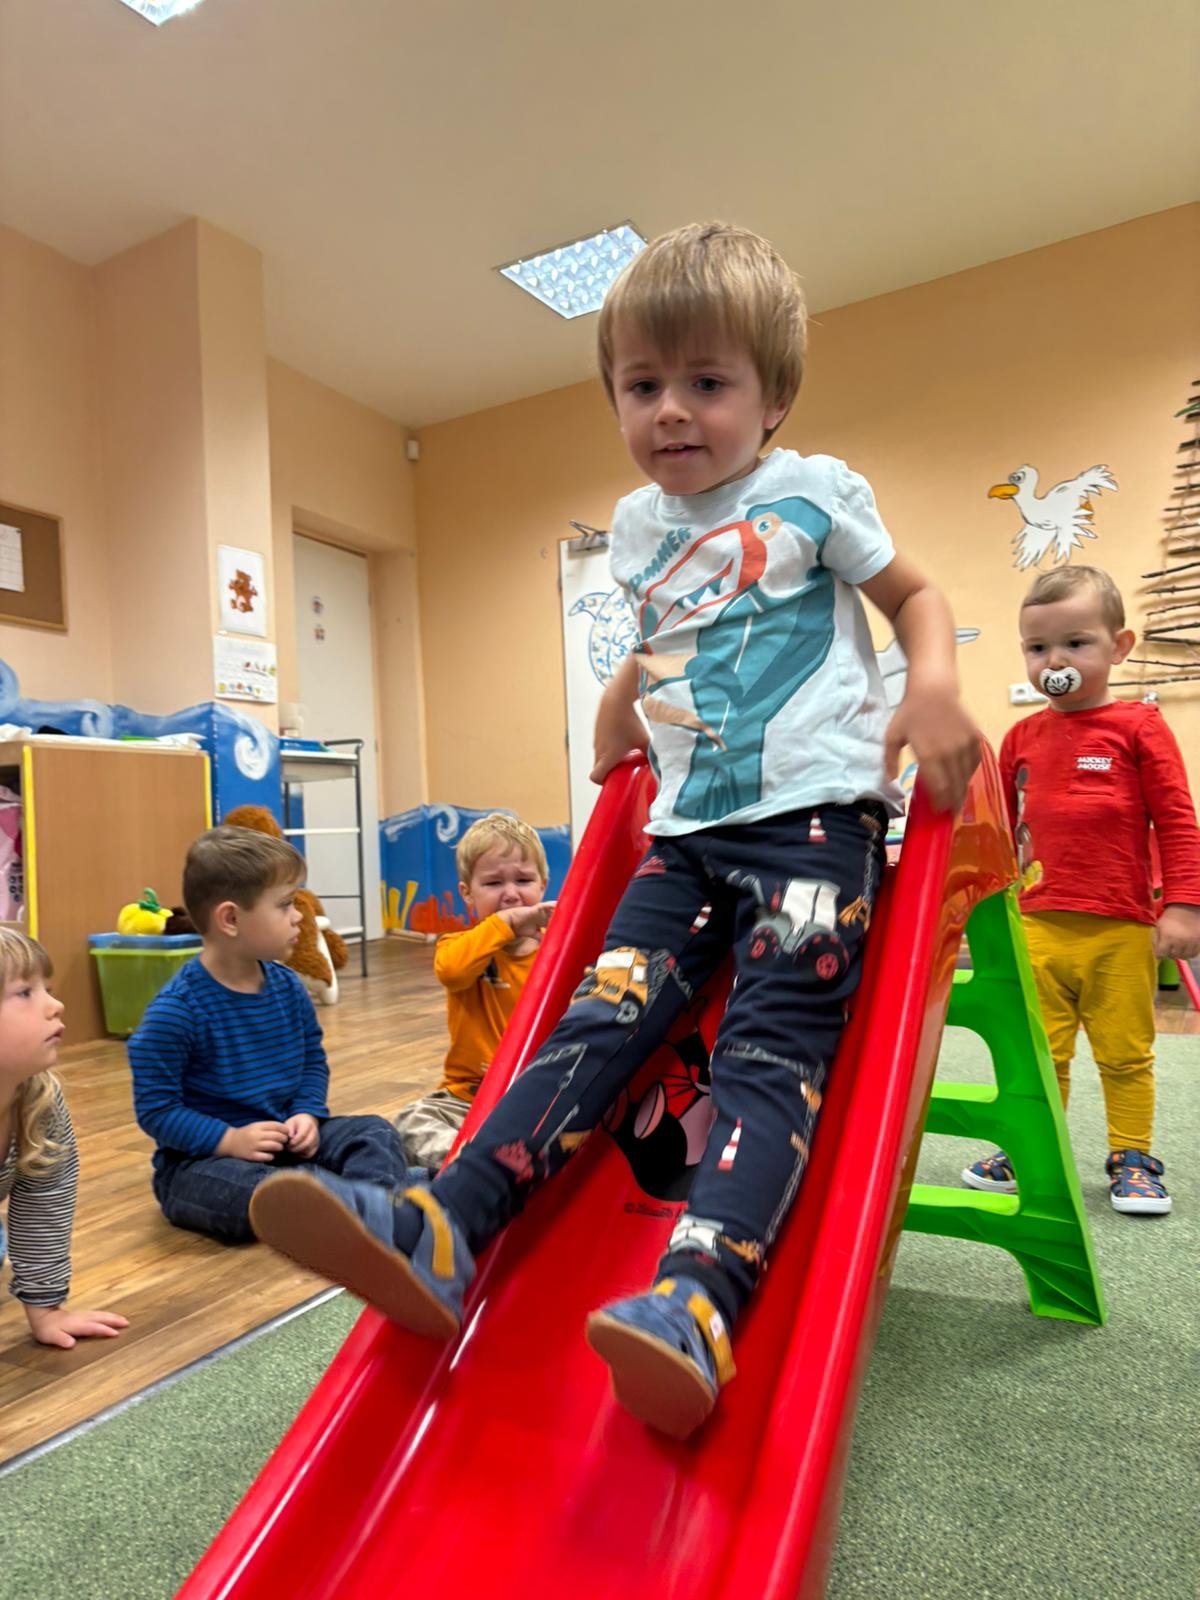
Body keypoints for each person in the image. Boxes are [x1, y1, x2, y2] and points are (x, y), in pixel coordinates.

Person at [249, 220, 979, 1438]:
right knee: (598, 1017)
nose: (672, 410)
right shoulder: (637, 526)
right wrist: (613, 714)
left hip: (813, 830)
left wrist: (936, 682)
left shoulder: (811, 491)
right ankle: (445, 1227)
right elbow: (661, 636)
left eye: (708, 382)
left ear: (774, 398)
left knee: (767, 1056)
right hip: (685, 836)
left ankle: (698, 1300)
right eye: (643, 386)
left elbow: (916, 595)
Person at [962, 566, 1200, 1215]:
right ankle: (1032, 1148)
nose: (1055, 661)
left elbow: (1178, 820)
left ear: (1118, 647)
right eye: (1038, 648)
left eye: (1076, 643)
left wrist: (1183, 904)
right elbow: (998, 830)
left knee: (1125, 1052)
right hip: (1037, 923)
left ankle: (1133, 1157)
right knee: (1042, 1051)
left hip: (1119, 924)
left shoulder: (1140, 727)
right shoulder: (1021, 737)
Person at [130, 825, 414, 1243]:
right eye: (284, 905)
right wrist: (228, 1140)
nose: (298, 915)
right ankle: (369, 1197)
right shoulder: (175, 1012)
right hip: (207, 1163)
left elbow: (312, 1062)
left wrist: (306, 1113)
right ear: (231, 919)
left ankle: (367, 1210)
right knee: (245, 1193)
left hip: (288, 1144)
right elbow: (157, 1110)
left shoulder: (288, 986)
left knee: (373, 1131)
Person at [394, 813, 553, 1171]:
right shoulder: (458, 945)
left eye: (523, 880)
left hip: (536, 1097)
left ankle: (483, 1163)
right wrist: (506, 923)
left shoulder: (557, 953)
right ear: (467, 893)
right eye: (493, 883)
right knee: (408, 1123)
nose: (511, 894)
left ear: (543, 885)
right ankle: (477, 1163)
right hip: (467, 1100)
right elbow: (452, 972)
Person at [0, 928, 129, 1347]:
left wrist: (46, 1309)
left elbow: (44, 1203)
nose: (55, 1005)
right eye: (25, 992)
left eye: (48, 989)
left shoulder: (38, 1099)